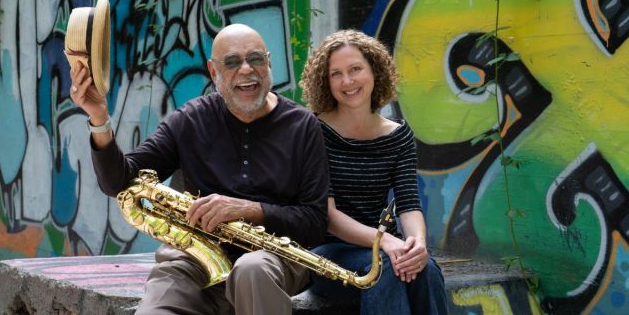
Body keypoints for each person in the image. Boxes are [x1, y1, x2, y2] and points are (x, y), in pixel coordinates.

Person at [69, 23, 330, 315]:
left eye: (255, 58)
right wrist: (99, 119)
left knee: (252, 269)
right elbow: (119, 181)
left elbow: (315, 222)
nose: (246, 69)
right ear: (213, 71)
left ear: (269, 62)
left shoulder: (304, 126)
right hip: (194, 254)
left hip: (273, 258)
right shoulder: (190, 120)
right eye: (231, 62)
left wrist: (249, 209)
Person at [299, 29, 448, 314]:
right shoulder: (313, 131)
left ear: (375, 71)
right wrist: (387, 242)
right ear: (325, 82)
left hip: (384, 249)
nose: (347, 81)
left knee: (425, 268)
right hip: (327, 254)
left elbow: (408, 203)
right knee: (387, 267)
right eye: (336, 74)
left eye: (355, 69)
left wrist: (417, 245)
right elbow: (328, 217)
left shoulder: (399, 135)